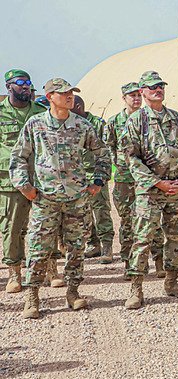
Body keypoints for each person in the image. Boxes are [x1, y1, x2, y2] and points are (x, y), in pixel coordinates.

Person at [10, 78, 111, 318]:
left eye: (71, 93)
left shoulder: (82, 126)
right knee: (38, 248)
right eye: (63, 93)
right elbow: (19, 157)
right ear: (50, 97)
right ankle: (32, 297)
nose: (70, 96)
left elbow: (102, 154)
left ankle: (73, 292)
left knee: (76, 247)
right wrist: (26, 187)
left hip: (76, 199)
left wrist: (97, 182)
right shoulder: (36, 125)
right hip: (45, 199)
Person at [121, 71, 178, 309]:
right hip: (151, 190)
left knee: (177, 237)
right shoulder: (136, 121)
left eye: (160, 86)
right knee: (143, 239)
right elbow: (131, 158)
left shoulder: (177, 118)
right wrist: (157, 182)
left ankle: (172, 282)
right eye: (152, 87)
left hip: (177, 189)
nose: (158, 90)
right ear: (142, 91)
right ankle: (136, 288)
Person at [106, 82, 165, 279]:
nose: (136, 99)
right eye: (131, 96)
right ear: (124, 98)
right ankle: (129, 263)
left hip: (148, 179)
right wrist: (120, 165)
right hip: (125, 178)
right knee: (127, 222)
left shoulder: (150, 118)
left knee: (153, 221)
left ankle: (158, 262)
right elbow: (109, 148)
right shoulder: (115, 122)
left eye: (138, 95)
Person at [0, 69, 46, 293]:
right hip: (9, 181)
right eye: (20, 83)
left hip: (40, 178)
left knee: (47, 225)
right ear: (9, 86)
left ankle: (49, 269)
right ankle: (14, 273)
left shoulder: (41, 112)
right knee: (12, 226)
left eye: (28, 83)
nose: (26, 86)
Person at [71, 94, 114, 264]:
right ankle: (93, 243)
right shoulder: (68, 124)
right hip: (77, 175)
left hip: (94, 172)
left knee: (101, 209)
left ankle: (106, 245)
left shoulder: (97, 124)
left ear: (79, 107)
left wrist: (102, 175)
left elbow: (106, 150)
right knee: (83, 212)